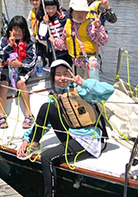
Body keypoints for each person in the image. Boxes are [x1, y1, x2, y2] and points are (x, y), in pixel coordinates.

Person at [16, 59, 114, 197]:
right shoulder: (56, 97)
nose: (62, 78)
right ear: (52, 77)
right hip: (72, 135)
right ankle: (34, 143)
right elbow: (44, 123)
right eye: (58, 74)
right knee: (46, 108)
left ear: (70, 74)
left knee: (46, 157)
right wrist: (27, 139)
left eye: (65, 74)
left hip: (88, 141)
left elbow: (110, 90)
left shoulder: (82, 91)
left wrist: (84, 83)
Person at [53, 0, 107, 79]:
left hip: (89, 64)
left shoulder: (91, 25)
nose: (80, 14)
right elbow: (65, 43)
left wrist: (99, 28)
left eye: (83, 12)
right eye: (77, 11)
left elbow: (103, 41)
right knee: (78, 86)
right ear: (71, 12)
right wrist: (54, 41)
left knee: (89, 86)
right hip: (75, 63)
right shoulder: (68, 24)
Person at [0, 15, 36, 130]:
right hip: (7, 68)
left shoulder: (29, 43)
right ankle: (1, 114)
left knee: (20, 83)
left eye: (20, 30)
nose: (17, 32)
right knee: (4, 84)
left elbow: (32, 61)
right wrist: (9, 45)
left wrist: (20, 64)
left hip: (23, 69)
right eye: (15, 29)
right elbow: (0, 56)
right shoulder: (4, 41)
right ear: (10, 30)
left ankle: (28, 115)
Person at [35, 0, 70, 67]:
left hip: (67, 51)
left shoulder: (63, 15)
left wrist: (63, 20)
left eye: (53, 8)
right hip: (53, 52)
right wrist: (44, 23)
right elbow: (42, 37)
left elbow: (69, 28)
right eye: (48, 8)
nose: (51, 10)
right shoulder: (43, 21)